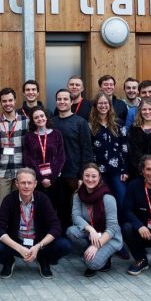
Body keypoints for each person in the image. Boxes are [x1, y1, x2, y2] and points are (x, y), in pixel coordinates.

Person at [0, 168, 72, 279]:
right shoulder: (9, 200)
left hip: (38, 243)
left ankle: (44, 260)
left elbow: (56, 226)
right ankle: (8, 261)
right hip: (17, 242)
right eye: (23, 182)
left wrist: (38, 246)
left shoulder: (43, 199)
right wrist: (19, 248)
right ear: (17, 184)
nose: (26, 186)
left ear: (35, 184)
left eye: (29, 183)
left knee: (64, 245)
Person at [67, 163, 123, 276]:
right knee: (71, 231)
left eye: (93, 176)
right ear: (82, 177)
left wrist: (96, 245)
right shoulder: (78, 195)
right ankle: (93, 252)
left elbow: (113, 227)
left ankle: (102, 255)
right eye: (87, 176)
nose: (90, 179)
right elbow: (76, 216)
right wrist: (91, 230)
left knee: (91, 263)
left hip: (109, 236)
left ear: (99, 178)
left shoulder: (108, 198)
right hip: (93, 233)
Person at [52, 89, 93, 229]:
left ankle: (74, 239)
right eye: (59, 99)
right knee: (58, 208)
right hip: (55, 175)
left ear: (71, 102)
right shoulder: (51, 122)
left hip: (73, 174)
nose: (62, 102)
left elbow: (87, 150)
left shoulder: (80, 123)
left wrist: (83, 175)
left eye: (65, 99)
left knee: (74, 209)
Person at [89, 93, 129, 206]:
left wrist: (125, 170)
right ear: (96, 105)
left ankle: (122, 223)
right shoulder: (90, 126)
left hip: (117, 170)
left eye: (105, 103)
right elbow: (89, 149)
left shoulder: (119, 124)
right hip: (98, 170)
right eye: (100, 103)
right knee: (101, 201)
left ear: (110, 105)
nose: (103, 106)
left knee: (121, 198)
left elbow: (125, 147)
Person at [22, 106, 65, 212]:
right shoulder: (29, 137)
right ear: (33, 121)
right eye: (36, 117)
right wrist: (41, 179)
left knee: (57, 209)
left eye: (42, 116)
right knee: (39, 209)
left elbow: (61, 157)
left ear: (46, 117)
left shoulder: (56, 134)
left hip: (55, 179)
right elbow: (28, 159)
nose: (40, 119)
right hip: (37, 181)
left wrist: (51, 177)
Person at [0, 87, 29, 204]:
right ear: (0, 102)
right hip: (2, 173)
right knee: (2, 207)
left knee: (20, 208)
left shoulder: (26, 121)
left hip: (21, 172)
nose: (7, 104)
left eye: (10, 100)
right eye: (4, 101)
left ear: (15, 101)